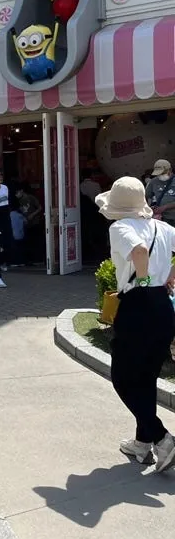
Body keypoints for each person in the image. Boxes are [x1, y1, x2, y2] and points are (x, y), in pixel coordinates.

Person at [95, 177, 175, 472]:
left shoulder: (120, 228)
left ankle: (162, 438)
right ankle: (142, 443)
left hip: (138, 304)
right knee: (146, 376)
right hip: (163, 306)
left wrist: (143, 280)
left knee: (123, 378)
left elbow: (139, 251)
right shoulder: (163, 228)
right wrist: (169, 275)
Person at [15, 183, 43, 265]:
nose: (16, 195)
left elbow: (40, 208)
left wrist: (32, 215)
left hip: (34, 222)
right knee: (27, 243)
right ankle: (29, 260)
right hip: (25, 223)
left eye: (17, 192)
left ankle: (37, 260)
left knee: (35, 241)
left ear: (21, 191)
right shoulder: (18, 201)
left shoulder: (31, 198)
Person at [145, 159, 175, 226]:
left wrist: (165, 207)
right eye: (158, 174)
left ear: (170, 170)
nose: (160, 175)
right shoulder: (153, 182)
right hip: (163, 219)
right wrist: (150, 207)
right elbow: (148, 196)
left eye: (162, 173)